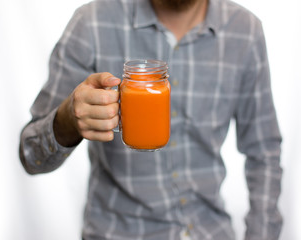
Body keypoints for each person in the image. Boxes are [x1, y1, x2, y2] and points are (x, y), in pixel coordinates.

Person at [19, 0, 283, 239]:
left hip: (209, 232)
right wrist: (66, 120)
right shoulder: (92, 22)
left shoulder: (245, 30)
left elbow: (264, 152)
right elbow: (30, 155)